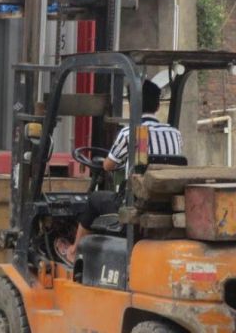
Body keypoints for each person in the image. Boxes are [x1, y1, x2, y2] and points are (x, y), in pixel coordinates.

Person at [64, 79, 183, 264]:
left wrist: (107, 161)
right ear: (158, 105)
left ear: (134, 103)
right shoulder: (175, 134)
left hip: (137, 202)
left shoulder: (131, 133)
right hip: (167, 201)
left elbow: (108, 166)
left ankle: (74, 250)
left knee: (94, 199)